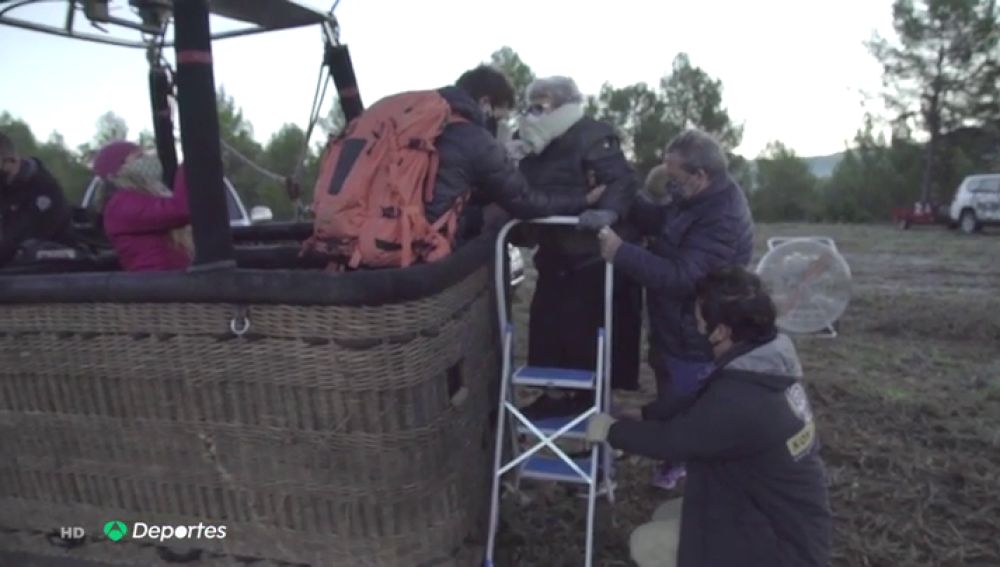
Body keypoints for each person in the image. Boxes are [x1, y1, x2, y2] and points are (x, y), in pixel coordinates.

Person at [585, 266, 832, 567]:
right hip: (782, 517)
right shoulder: (767, 363)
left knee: (649, 543)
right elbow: (700, 401)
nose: (698, 328)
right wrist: (645, 413)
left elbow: (674, 442)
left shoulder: (742, 400)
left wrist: (612, 431)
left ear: (722, 331)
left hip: (783, 550)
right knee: (670, 514)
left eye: (700, 320)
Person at [598, 129, 754, 490]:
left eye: (675, 177)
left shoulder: (722, 217)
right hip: (673, 323)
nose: (669, 183)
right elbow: (663, 222)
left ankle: (688, 471)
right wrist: (621, 191)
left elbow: (684, 276)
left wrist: (621, 252)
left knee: (686, 402)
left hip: (697, 332)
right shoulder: (694, 199)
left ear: (700, 176)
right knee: (671, 389)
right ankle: (675, 461)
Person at [503, 76, 643, 418]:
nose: (533, 111)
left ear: (564, 104)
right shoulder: (527, 142)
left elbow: (620, 179)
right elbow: (524, 192)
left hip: (591, 256)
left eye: (542, 104)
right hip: (553, 251)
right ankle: (554, 395)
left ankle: (590, 402)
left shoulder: (593, 135)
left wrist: (608, 209)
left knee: (587, 331)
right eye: (530, 104)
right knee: (548, 326)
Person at [424, 66, 606, 242]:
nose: (495, 128)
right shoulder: (475, 138)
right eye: (497, 119)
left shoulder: (425, 123)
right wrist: (584, 199)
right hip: (434, 240)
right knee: (495, 229)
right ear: (485, 103)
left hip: (402, 231)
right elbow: (524, 200)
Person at [91, 140, 193, 272]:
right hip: (158, 287)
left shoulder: (146, 196)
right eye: (139, 157)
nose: (147, 160)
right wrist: (189, 165)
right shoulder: (120, 205)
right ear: (119, 170)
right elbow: (180, 210)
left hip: (172, 282)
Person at [0, 131, 75, 266]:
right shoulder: (6, 186)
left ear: (10, 160)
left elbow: (19, 238)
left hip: (47, 271)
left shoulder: (45, 190)